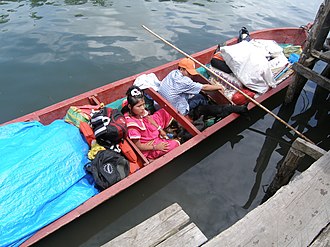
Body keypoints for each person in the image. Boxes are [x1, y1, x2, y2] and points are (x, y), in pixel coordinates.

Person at [122, 86, 180, 160]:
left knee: (165, 112)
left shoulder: (139, 111)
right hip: (149, 145)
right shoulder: (132, 126)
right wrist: (155, 147)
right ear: (130, 106)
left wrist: (159, 129)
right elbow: (138, 146)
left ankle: (161, 135)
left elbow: (148, 117)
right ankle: (152, 156)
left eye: (143, 104)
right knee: (174, 144)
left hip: (149, 128)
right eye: (139, 106)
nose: (143, 108)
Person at [158, 57, 225, 116]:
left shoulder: (172, 73)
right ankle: (207, 110)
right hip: (175, 111)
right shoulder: (185, 82)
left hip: (159, 105)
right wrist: (219, 87)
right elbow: (204, 87)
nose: (190, 76)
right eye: (189, 73)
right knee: (200, 97)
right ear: (181, 69)